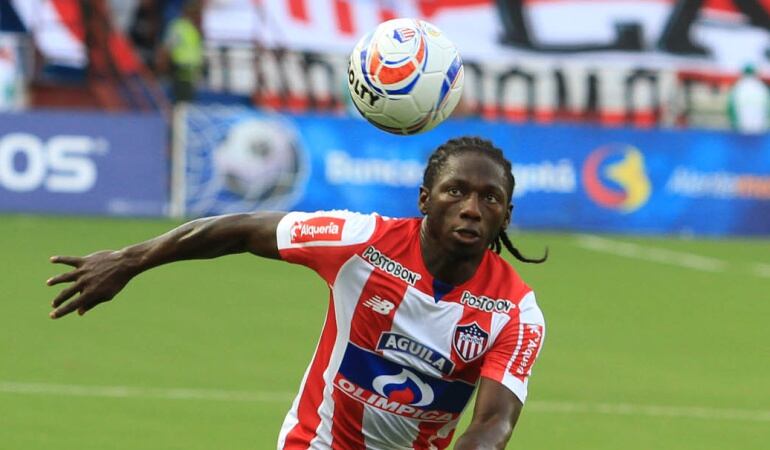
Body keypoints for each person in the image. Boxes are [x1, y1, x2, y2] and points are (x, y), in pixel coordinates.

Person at [47, 136, 548, 449]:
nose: (471, 208)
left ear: (505, 216)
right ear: (424, 199)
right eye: (455, 191)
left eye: (490, 198)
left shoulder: (516, 312)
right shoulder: (361, 242)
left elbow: (493, 424)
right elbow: (243, 229)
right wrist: (130, 260)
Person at [157, 0, 203, 103]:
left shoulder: (193, 28)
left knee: (187, 101)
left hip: (191, 72)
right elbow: (166, 47)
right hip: (179, 70)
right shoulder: (178, 27)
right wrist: (162, 66)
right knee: (180, 102)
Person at [727, 64, 770, 135]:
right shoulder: (762, 88)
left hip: (741, 130)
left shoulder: (737, 87)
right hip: (760, 130)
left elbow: (731, 109)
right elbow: (768, 109)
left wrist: (735, 125)